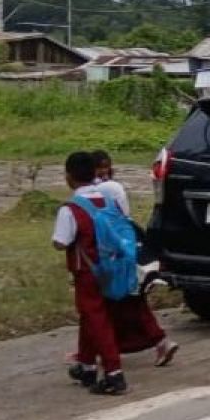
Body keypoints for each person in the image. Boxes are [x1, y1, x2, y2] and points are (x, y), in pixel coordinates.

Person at [80, 149, 177, 370]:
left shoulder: (101, 190)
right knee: (130, 302)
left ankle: (92, 357)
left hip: (113, 253)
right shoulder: (112, 187)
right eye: (99, 167)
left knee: (105, 306)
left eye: (106, 167)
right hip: (127, 246)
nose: (103, 172)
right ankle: (157, 342)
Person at [53, 151, 130, 395]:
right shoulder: (107, 200)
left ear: (69, 177)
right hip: (112, 268)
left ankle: (113, 373)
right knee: (91, 316)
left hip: (86, 272)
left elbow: (60, 242)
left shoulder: (71, 208)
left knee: (97, 319)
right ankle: (86, 366)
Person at [91, 149, 129, 216]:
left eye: (106, 167)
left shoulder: (112, 184)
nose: (103, 170)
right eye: (99, 167)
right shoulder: (92, 184)